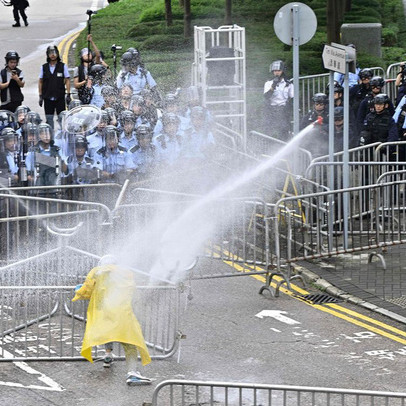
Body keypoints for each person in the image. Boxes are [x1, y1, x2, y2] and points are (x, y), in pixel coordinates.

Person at [72, 255, 152, 386]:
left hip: (103, 312)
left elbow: (86, 292)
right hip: (121, 313)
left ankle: (108, 354)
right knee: (130, 343)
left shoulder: (96, 272)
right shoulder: (126, 273)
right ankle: (132, 373)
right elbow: (132, 290)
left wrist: (78, 290)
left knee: (108, 334)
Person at [38, 45, 71, 129]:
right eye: (50, 53)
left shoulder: (63, 66)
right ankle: (51, 138)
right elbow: (40, 81)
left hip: (59, 98)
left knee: (61, 118)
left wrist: (68, 94)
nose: (53, 55)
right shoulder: (44, 67)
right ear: (47, 55)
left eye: (54, 52)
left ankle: (62, 136)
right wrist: (40, 95)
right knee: (49, 119)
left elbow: (67, 80)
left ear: (57, 54)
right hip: (48, 98)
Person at [263, 60, 294, 139]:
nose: (276, 73)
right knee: (269, 129)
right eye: (275, 71)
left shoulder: (288, 84)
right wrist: (273, 86)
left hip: (283, 109)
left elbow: (292, 97)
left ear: (283, 71)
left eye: (279, 71)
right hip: (272, 109)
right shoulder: (268, 83)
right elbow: (266, 96)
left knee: (283, 129)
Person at [73, 34, 102, 104]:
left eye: (89, 53)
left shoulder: (95, 65)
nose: (88, 54)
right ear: (81, 56)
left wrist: (91, 42)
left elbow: (98, 55)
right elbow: (76, 85)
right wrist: (85, 82)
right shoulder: (78, 69)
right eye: (85, 53)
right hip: (83, 95)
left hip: (95, 94)